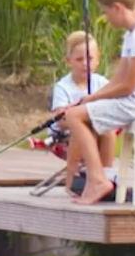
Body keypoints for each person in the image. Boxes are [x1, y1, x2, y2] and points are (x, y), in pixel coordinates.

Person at [50, 0, 135, 205]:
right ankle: (98, 176)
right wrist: (91, 99)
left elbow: (128, 86)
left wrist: (94, 98)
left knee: (73, 116)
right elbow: (119, 77)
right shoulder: (133, 34)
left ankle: (97, 179)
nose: (106, 18)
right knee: (79, 113)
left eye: (107, 12)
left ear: (118, 7)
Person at [35, 31, 110, 164]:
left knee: (107, 131)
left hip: (97, 132)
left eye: (90, 58)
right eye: (79, 59)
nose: (85, 63)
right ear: (68, 61)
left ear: (98, 60)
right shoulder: (62, 87)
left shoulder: (102, 83)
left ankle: (104, 172)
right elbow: (60, 120)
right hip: (65, 138)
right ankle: (92, 171)